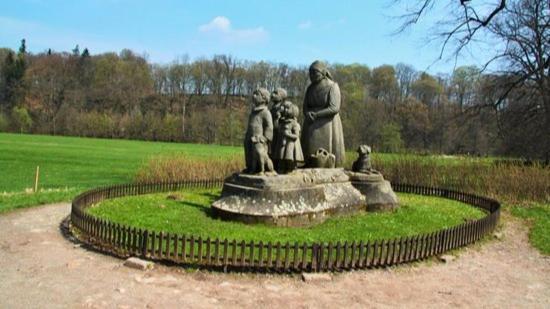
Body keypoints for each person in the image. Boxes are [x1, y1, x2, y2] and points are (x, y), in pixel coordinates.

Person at [301, 60, 346, 167]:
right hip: (311, 124)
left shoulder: (332, 86)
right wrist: (307, 113)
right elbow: (305, 106)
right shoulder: (310, 89)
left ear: (323, 72)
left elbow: (334, 108)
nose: (311, 76)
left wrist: (317, 114)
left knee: (327, 152)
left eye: (314, 73)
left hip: (328, 124)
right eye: (310, 73)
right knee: (309, 152)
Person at [244, 88, 275, 174]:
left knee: (259, 154)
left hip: (259, 139)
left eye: (257, 94)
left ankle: (262, 169)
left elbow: (269, 127)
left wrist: (264, 138)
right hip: (250, 137)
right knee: (249, 152)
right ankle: (250, 167)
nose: (254, 96)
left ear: (264, 98)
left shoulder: (265, 112)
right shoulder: (253, 112)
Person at [274, 101, 304, 173]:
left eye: (287, 108)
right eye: (284, 108)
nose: (284, 110)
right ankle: (281, 167)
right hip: (282, 143)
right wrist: (277, 118)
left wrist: (287, 134)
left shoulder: (294, 123)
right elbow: (276, 128)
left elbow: (296, 136)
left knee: (289, 156)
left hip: (291, 143)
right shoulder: (283, 121)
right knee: (281, 155)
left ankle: (290, 168)